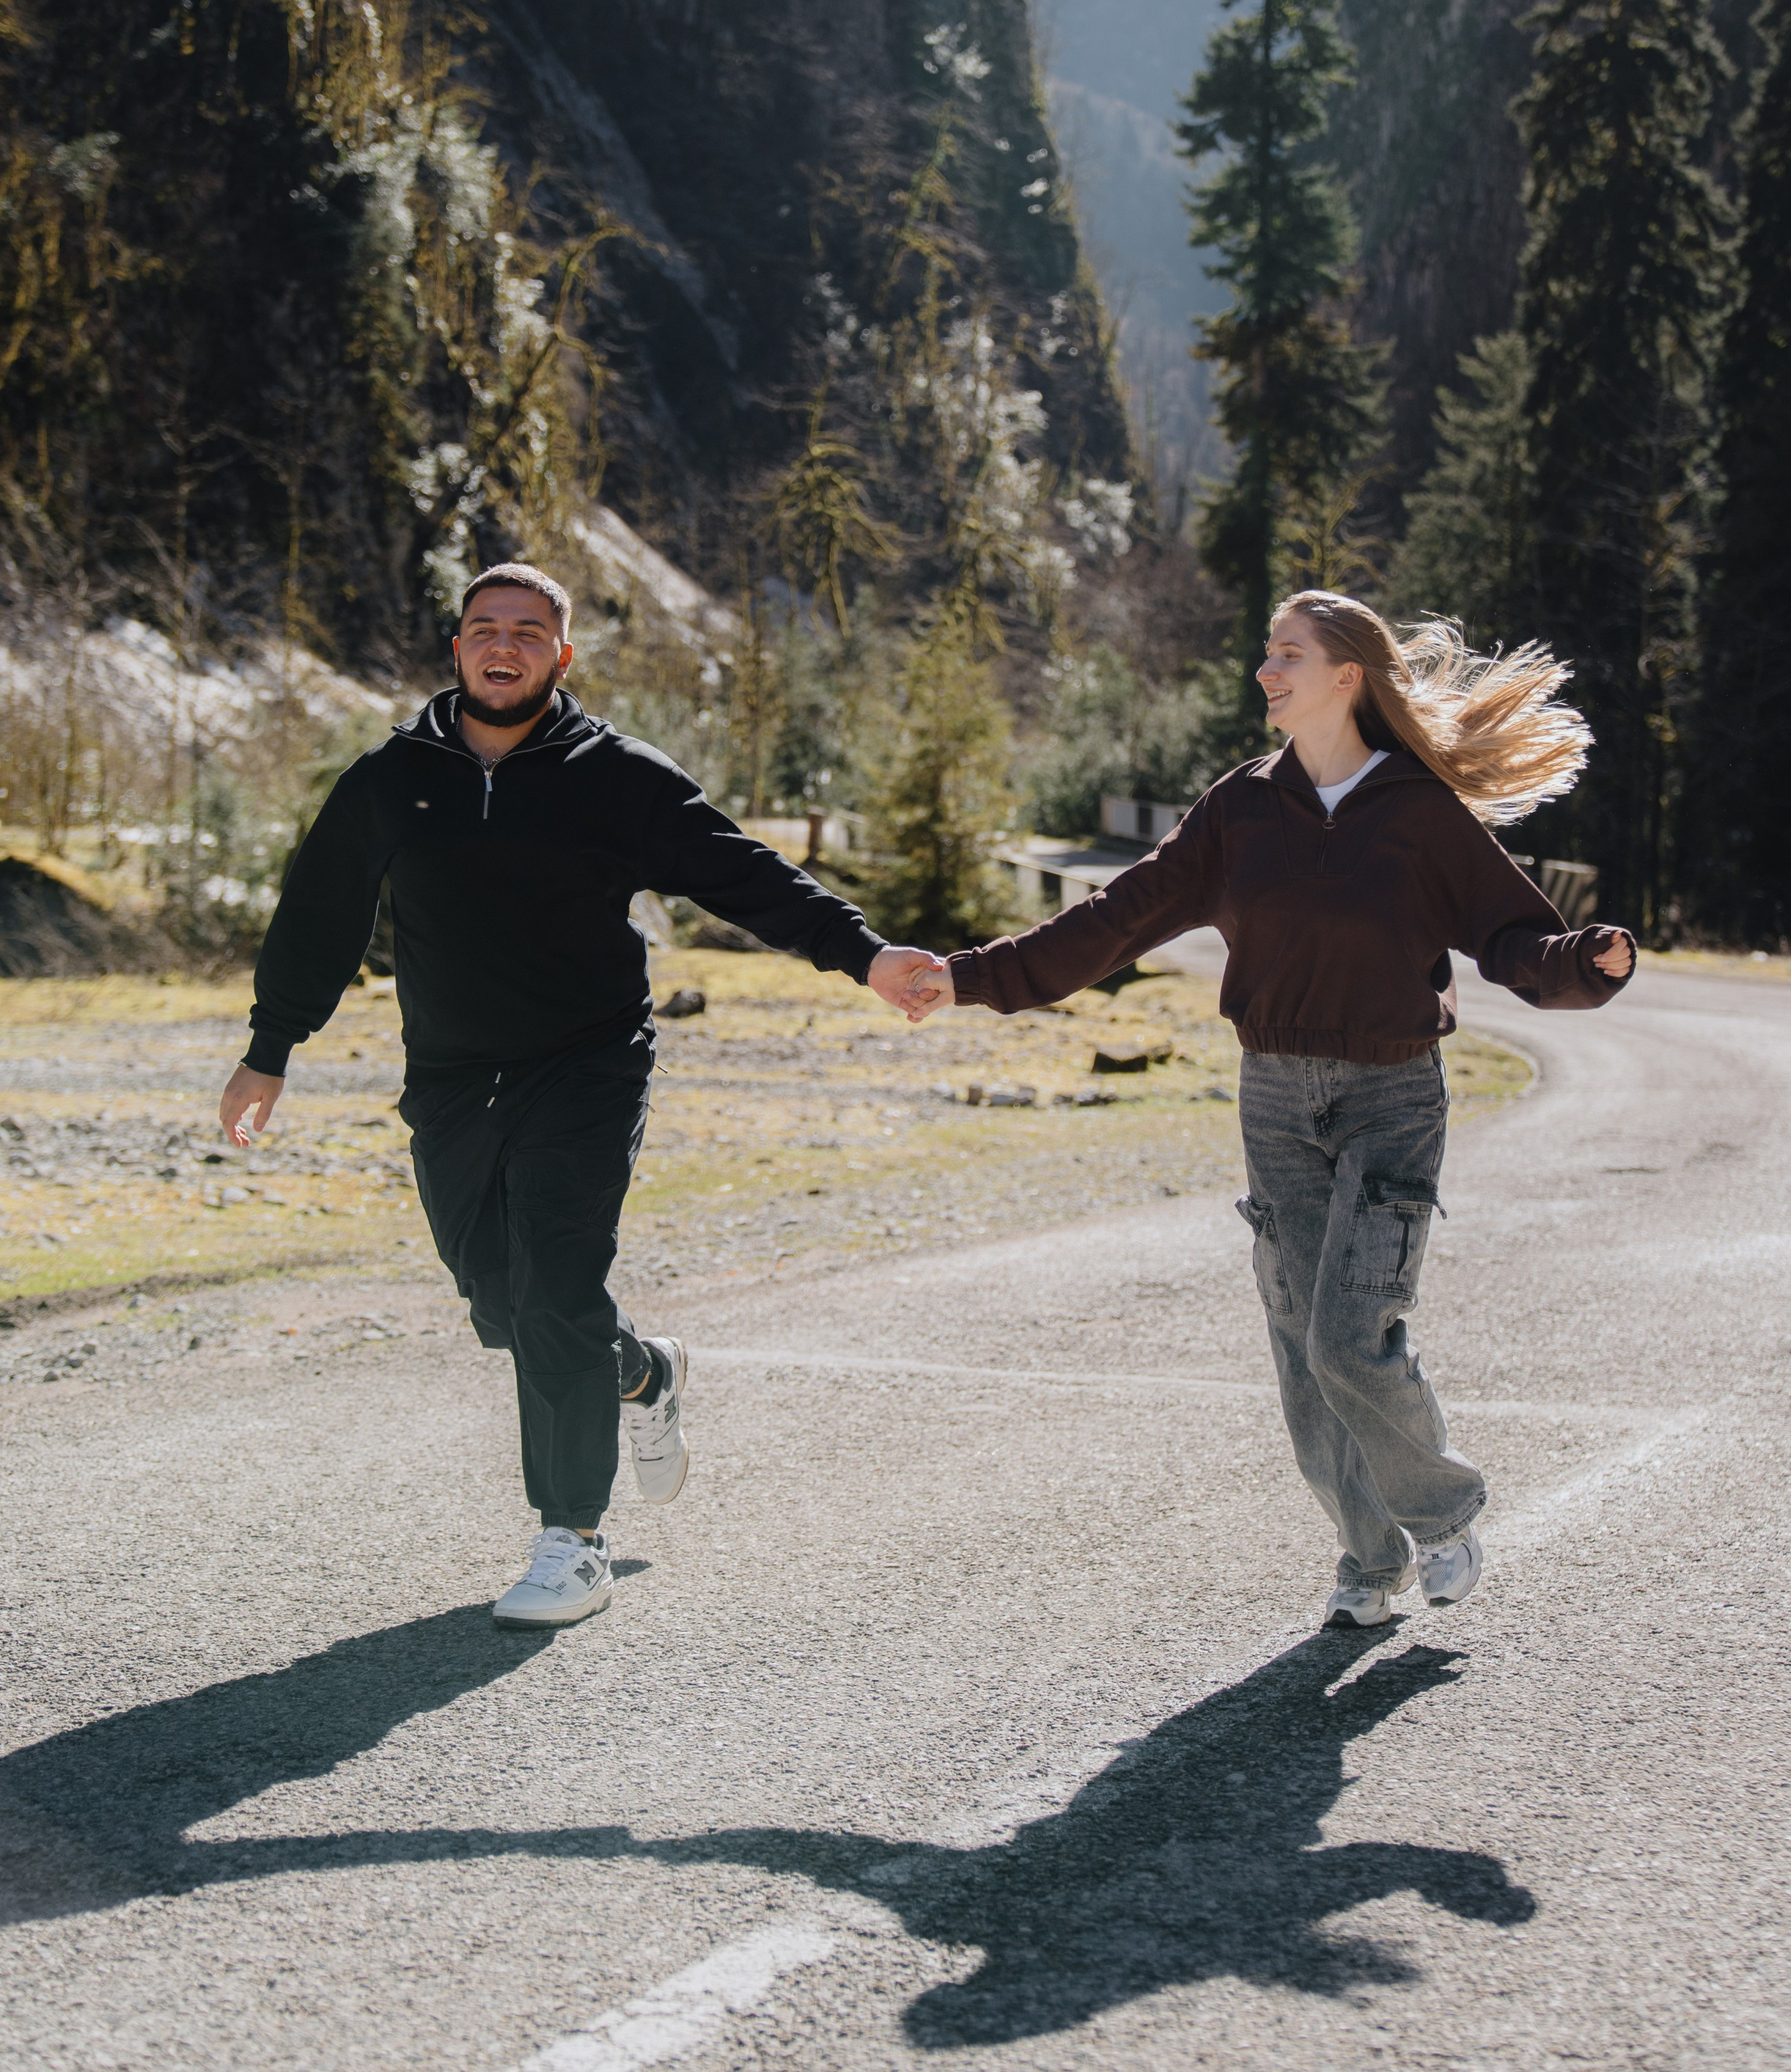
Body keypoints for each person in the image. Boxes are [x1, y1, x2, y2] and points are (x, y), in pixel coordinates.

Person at [217, 562, 942, 1631]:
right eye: (482, 629)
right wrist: (271, 1045)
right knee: (504, 1305)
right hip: (455, 1077)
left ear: (564, 655)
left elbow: (743, 874)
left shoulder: (619, 777)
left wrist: (866, 955)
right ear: (455, 648)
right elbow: (319, 913)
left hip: (588, 1064)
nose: (501, 645)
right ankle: (644, 1373)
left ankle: (573, 1537)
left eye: (527, 630)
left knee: (556, 1285)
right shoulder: (393, 777)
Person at [904, 590, 1636, 1630]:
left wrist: (1585, 962)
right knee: (1301, 1353)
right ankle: (1368, 1560)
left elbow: (1515, 940)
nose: (1264, 671)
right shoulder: (1241, 810)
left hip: (1391, 1097)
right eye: (1264, 653)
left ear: (1348, 676)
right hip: (1273, 1095)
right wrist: (971, 977)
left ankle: (1444, 1516)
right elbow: (1116, 919)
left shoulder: (1421, 813)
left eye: (1287, 654)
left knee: (1350, 1336)